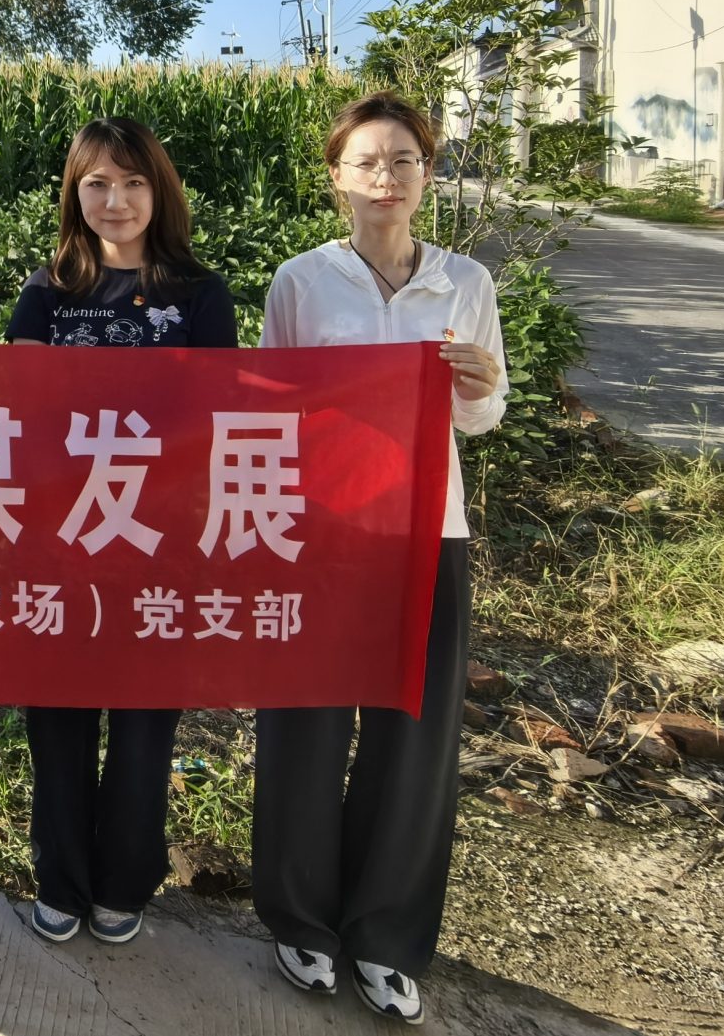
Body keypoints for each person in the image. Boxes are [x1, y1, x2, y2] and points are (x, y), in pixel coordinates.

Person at [252, 92, 506, 1027]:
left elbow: (482, 416)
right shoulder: (301, 282)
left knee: (414, 737)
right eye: (367, 161)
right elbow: (270, 408)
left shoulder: (465, 282)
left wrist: (479, 385)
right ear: (338, 178)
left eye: (403, 160)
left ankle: (386, 936)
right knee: (306, 724)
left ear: (427, 175)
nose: (386, 177)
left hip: (430, 531)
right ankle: (301, 919)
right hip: (324, 534)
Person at [5, 118, 236, 947]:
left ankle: (125, 879)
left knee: (145, 725)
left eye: (133, 182)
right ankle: (60, 877)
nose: (116, 200)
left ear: (159, 191)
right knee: (59, 719)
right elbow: (18, 412)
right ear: (75, 194)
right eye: (97, 183)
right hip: (63, 537)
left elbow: (218, 417)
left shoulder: (200, 294)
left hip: (160, 541)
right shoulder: (48, 291)